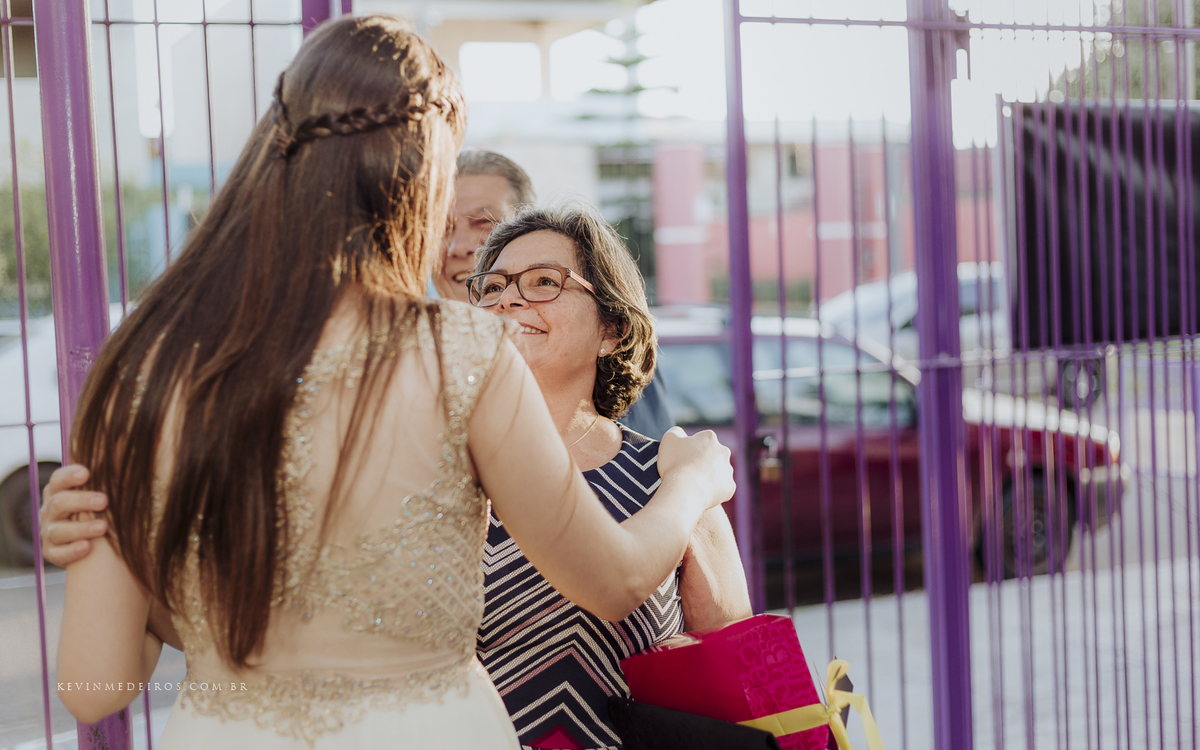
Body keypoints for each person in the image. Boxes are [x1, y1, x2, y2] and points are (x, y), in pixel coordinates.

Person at [48, 16, 733, 749]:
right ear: (420, 180)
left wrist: (143, 557)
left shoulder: (139, 369)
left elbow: (97, 683)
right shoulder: (461, 352)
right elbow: (616, 580)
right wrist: (692, 484)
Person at [468, 206, 752, 749]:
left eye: (544, 282)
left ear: (611, 329)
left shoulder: (671, 473)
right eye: (493, 286)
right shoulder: (442, 470)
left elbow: (732, 663)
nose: (507, 300)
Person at [433, 149, 675, 441]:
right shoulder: (399, 364)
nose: (459, 246)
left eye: (485, 223)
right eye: (442, 228)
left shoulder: (599, 360)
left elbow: (644, 475)